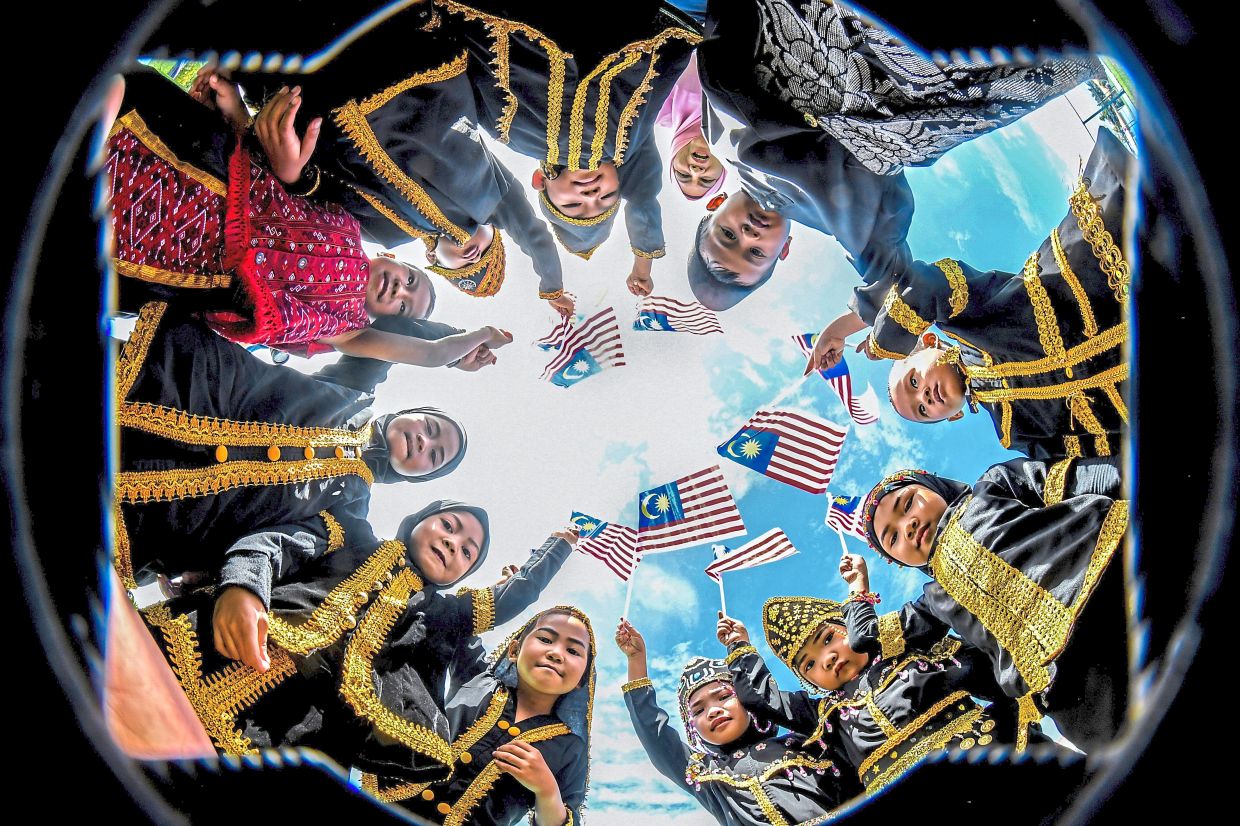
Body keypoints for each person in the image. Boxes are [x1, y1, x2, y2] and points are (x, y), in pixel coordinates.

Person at [688, 0, 1099, 311]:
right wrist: (863, 315)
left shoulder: (720, 136)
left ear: (717, 203)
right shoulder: (843, 225)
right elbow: (888, 279)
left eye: (728, 234)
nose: (749, 234)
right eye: (755, 253)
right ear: (784, 250)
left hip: (815, 25)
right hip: (915, 90)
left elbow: (721, 38)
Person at [141, 501, 579, 783]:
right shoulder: (351, 531)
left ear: (462, 577)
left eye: (468, 552)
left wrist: (555, 549)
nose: (453, 543)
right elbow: (273, 544)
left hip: (296, 724)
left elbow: (511, 599)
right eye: (449, 525)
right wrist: (244, 587)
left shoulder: (442, 616)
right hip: (203, 646)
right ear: (418, 520)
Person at [109, 70, 515, 362]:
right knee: (115, 93)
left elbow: (431, 353)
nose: (400, 291)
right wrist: (236, 114)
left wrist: (479, 335)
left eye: (404, 307)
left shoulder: (347, 328)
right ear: (394, 258)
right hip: (208, 170)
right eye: (412, 281)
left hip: (176, 260)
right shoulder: (349, 222)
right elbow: (279, 174)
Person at [804, 129, 1131, 459]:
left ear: (928, 343)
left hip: (1114, 274)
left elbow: (925, 286)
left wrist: (863, 335)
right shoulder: (1013, 433)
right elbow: (1091, 457)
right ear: (953, 416)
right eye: (922, 411)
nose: (925, 398)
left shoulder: (966, 322)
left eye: (913, 382)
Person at [112, 303, 469, 591]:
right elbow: (398, 329)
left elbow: (282, 550)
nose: (425, 441)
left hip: (147, 517)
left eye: (434, 456)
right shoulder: (355, 391)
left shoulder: (350, 514)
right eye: (431, 427)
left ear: (416, 476)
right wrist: (457, 346)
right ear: (409, 413)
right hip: (161, 385)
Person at [432, 0, 700, 296]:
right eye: (607, 196)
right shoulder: (628, 139)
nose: (590, 195)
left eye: (573, 205)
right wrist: (643, 262)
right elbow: (644, 193)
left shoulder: (506, 132)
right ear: (619, 173)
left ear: (539, 181)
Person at [860, 458, 1128, 752]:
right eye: (893, 537)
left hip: (1118, 586)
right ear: (899, 562)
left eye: (908, 503)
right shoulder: (934, 602)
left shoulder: (993, 485)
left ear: (932, 485)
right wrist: (857, 591)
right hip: (1073, 690)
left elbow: (1096, 477)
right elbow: (869, 637)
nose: (907, 526)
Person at [719, 551, 1037, 797]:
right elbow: (760, 699)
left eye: (828, 639)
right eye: (809, 664)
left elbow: (994, 666)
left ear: (849, 627)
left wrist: (858, 591)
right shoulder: (824, 716)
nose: (826, 659)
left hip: (991, 763)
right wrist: (740, 648)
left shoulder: (915, 656)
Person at [360, 606, 595, 826]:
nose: (556, 653)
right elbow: (461, 623)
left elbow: (566, 818)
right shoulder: (476, 676)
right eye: (545, 639)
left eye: (573, 650)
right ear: (514, 651)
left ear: (582, 681)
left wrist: (547, 790)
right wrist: (505, 588)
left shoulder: (571, 747)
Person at [615, 620, 851, 824]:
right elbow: (655, 735)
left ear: (748, 700)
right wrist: (636, 660)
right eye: (698, 710)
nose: (713, 711)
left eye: (724, 696)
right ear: (692, 728)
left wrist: (739, 644)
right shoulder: (705, 775)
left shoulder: (810, 742)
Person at [657, 53, 727, 201]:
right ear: (724, 169)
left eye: (683, 175)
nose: (696, 171)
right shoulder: (753, 124)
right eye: (706, 180)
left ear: (673, 160)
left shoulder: (655, 108)